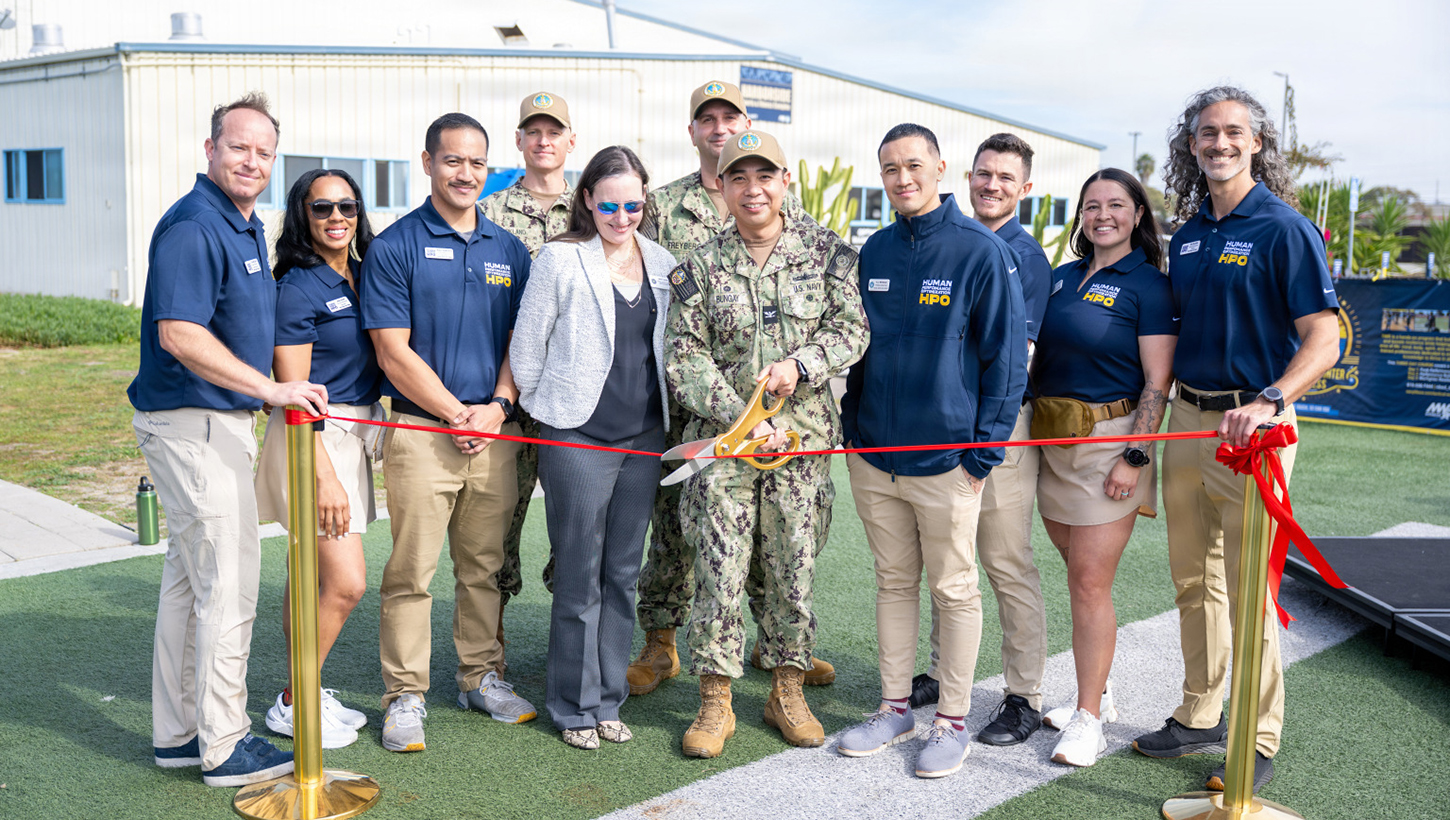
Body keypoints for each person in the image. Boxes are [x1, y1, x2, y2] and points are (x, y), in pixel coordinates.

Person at [1133, 86, 1339, 793]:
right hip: (1187, 424)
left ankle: (1258, 735)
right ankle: (1201, 712)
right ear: (1190, 146)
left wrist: (1272, 399)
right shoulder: (1186, 235)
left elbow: (1325, 337)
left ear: (1256, 143)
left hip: (1253, 430)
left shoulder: (1285, 228)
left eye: (1232, 132)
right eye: (1205, 134)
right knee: (1194, 582)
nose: (1218, 143)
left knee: (1250, 592)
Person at [130, 92, 325, 787]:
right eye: (238, 146)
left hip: (214, 424)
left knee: (189, 586)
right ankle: (225, 744)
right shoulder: (193, 225)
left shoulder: (243, 224)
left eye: (264, 152)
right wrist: (272, 389)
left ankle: (179, 736)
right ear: (209, 149)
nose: (251, 160)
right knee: (230, 587)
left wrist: (285, 384)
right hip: (193, 423)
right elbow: (178, 335)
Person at [630, 79, 836, 698]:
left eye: (730, 117)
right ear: (694, 134)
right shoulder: (665, 208)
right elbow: (666, 320)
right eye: (707, 119)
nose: (718, 128)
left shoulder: (808, 236)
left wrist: (797, 370)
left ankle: (782, 657)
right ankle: (663, 643)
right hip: (699, 416)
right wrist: (736, 417)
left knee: (786, 544)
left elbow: (839, 320)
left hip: (795, 425)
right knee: (685, 537)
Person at [667, 129, 868, 758]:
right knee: (718, 572)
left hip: (802, 445)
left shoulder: (828, 253)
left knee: (792, 570)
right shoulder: (699, 266)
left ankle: (786, 691)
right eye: (737, 178)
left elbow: (852, 330)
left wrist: (802, 366)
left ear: (785, 180)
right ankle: (715, 703)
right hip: (725, 448)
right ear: (722, 187)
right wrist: (743, 416)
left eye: (764, 176)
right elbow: (683, 356)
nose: (752, 190)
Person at [837, 123, 1026, 779]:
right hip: (874, 457)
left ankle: (950, 722)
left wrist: (981, 455)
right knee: (893, 583)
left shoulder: (979, 252)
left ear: (940, 168)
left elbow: (1007, 365)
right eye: (890, 168)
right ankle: (894, 709)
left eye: (913, 165)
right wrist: (851, 429)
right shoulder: (876, 251)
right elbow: (857, 350)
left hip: (946, 462)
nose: (902, 178)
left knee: (954, 589)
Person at [360, 112, 536, 753]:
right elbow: (390, 351)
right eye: (453, 160)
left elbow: (522, 340)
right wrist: (454, 414)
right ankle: (404, 695)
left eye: (477, 163)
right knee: (411, 571)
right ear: (428, 162)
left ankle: (479, 676)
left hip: (494, 432)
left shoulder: (508, 249)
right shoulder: (396, 245)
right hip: (421, 433)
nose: (466, 173)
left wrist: (496, 405)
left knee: (483, 567)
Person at [510, 146, 674, 750]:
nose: (622, 216)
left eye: (634, 204)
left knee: (623, 573)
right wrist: (548, 416)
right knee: (579, 574)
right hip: (576, 435)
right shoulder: (559, 259)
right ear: (586, 199)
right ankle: (574, 707)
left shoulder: (661, 261)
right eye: (610, 204)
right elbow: (526, 349)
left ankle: (609, 699)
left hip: (643, 439)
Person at [908, 133, 1052, 749]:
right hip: (943, 425)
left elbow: (1013, 359)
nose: (992, 185)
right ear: (966, 177)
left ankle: (1023, 695)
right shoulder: (953, 241)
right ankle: (943, 673)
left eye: (1005, 177)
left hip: (998, 426)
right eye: (983, 174)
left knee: (1004, 560)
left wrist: (983, 432)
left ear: (1025, 189)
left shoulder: (1023, 257)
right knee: (949, 559)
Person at [1031, 169, 1177, 766]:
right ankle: (1102, 689)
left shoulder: (1149, 284)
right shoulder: (1062, 277)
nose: (1103, 215)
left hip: (1112, 443)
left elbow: (1158, 380)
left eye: (1116, 205)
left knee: (1091, 585)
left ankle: (1089, 719)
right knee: (1076, 574)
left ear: (1138, 214)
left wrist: (1135, 456)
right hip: (1052, 444)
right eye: (1092, 206)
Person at [254, 168, 382, 750]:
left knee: (307, 577)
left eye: (347, 207)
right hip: (312, 438)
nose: (336, 218)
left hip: (347, 435)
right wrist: (324, 475)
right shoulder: (298, 285)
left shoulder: (363, 272)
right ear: (302, 215)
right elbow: (294, 389)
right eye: (322, 207)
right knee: (347, 583)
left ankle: (304, 687)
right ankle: (292, 701)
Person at [482, 92, 578, 655]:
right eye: (532, 131)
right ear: (518, 141)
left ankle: (570, 643)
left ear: (571, 140)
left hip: (572, 397)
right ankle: (487, 642)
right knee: (498, 523)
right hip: (511, 392)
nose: (544, 140)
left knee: (575, 525)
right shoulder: (490, 212)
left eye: (554, 131)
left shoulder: (592, 210)